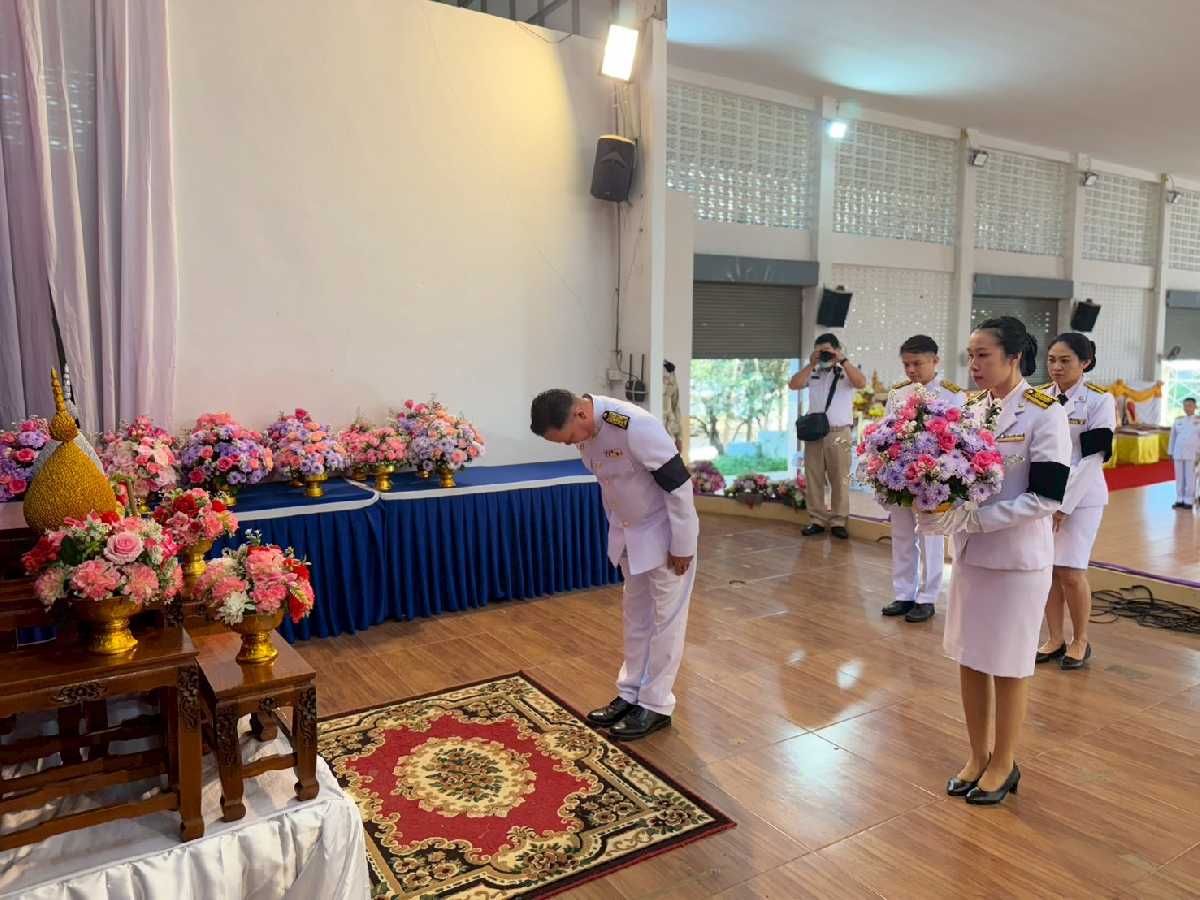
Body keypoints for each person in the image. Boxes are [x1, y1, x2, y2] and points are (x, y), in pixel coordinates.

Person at [917, 316, 1070, 805]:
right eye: (971, 355)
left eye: (984, 354)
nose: (974, 364)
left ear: (1014, 357)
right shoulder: (969, 409)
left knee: (1007, 663)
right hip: (970, 556)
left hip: (1016, 561)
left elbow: (1046, 496)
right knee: (970, 657)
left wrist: (976, 520)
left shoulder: (1044, 412)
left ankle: (1004, 762)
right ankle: (976, 755)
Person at [529, 389, 698, 741]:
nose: (571, 445)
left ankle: (655, 704)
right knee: (636, 618)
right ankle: (630, 694)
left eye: (568, 439)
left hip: (665, 538)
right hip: (629, 538)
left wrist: (683, 544)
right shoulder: (588, 431)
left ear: (580, 414)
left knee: (665, 622)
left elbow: (679, 486)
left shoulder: (634, 425)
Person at [1035, 334, 1116, 670]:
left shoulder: (1099, 400)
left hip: (1082, 499)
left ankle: (1080, 639)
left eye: (1065, 360)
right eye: (1052, 359)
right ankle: (1055, 638)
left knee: (1070, 571)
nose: (1056, 367)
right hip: (1043, 496)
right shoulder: (1039, 396)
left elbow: (1093, 457)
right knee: (1048, 571)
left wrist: (1064, 504)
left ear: (1085, 362)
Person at [881, 335, 966, 624]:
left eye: (917, 363)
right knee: (902, 535)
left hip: (933, 478)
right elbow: (886, 432)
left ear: (935, 361)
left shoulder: (952, 394)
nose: (911, 370)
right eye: (906, 364)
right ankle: (904, 593)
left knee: (930, 537)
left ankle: (927, 597)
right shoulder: (898, 393)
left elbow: (959, 437)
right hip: (899, 476)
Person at [788, 333, 867, 539]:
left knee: (839, 479)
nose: (823, 355)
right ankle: (817, 520)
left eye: (827, 351)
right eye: (819, 351)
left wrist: (842, 360)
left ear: (836, 350)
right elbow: (793, 384)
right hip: (815, 433)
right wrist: (810, 364)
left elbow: (861, 383)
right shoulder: (812, 372)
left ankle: (839, 521)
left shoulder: (845, 372)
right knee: (813, 477)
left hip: (839, 433)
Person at [1169, 397, 1199, 509]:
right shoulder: (1178, 420)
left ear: (1195, 407)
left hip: (1193, 453)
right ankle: (1179, 498)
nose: (1187, 408)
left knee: (1190, 477)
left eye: (1190, 405)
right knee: (1179, 477)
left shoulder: (1198, 421)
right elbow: (1173, 437)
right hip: (1178, 452)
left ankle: (1189, 500)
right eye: (1185, 405)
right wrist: (1170, 451)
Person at [662, 360, 683, 453]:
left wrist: (679, 437)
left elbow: (676, 406)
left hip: (669, 431)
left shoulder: (669, 370)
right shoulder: (650, 368)